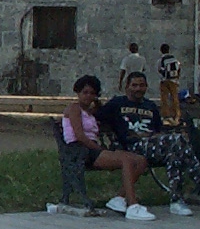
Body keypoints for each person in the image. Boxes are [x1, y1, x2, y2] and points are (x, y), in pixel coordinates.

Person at [100, 72, 195, 217]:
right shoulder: (117, 103)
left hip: (153, 146)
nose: (138, 88)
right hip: (132, 147)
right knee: (178, 141)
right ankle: (196, 180)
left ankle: (176, 202)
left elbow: (158, 131)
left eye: (142, 85)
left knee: (174, 153)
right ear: (127, 87)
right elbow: (96, 115)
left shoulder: (150, 106)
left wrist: (156, 137)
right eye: (134, 85)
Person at [62, 75, 149, 213]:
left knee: (140, 160)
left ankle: (119, 198)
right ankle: (132, 204)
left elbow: (101, 112)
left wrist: (97, 102)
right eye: (85, 92)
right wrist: (99, 148)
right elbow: (80, 135)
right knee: (125, 159)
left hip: (93, 149)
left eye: (92, 93)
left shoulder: (89, 112)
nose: (88, 96)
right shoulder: (74, 109)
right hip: (80, 150)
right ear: (78, 93)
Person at [158, 43, 182, 122]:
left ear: (161, 50)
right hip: (174, 81)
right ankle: (176, 114)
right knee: (174, 97)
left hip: (164, 81)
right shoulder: (174, 59)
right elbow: (179, 68)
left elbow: (160, 70)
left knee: (164, 98)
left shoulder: (161, 60)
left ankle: (166, 115)